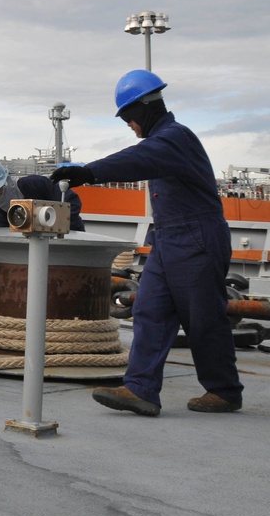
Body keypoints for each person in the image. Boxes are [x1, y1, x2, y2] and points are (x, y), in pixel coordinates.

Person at [51, 69, 243, 415]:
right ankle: (140, 389)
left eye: (128, 118)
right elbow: (144, 156)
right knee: (149, 309)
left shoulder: (174, 138)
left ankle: (224, 390)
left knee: (202, 318)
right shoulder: (164, 142)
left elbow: (139, 159)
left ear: (142, 109)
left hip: (196, 238)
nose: (129, 125)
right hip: (169, 239)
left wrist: (89, 172)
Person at [0, 160, 85, 231]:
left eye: (0, 191)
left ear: (8, 182)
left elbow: (72, 202)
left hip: (72, 236)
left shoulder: (36, 184)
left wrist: (52, 223)